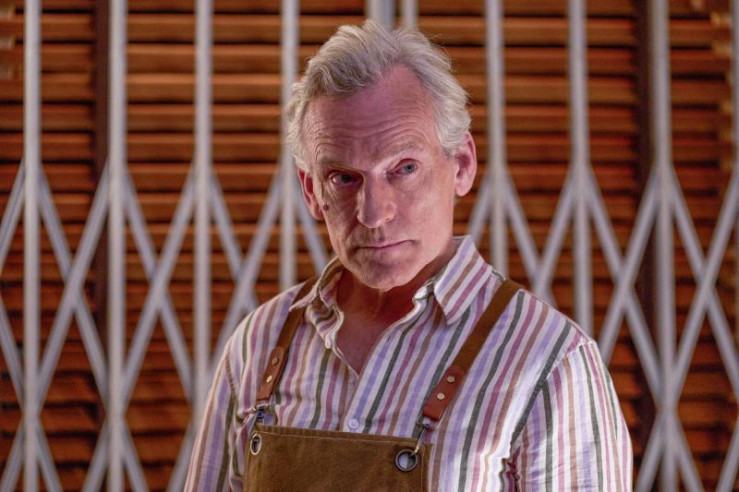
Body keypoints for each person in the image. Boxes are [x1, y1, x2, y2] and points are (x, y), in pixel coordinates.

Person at [185, 20, 632, 491]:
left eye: (404, 168)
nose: (373, 213)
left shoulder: (550, 363)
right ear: (312, 191)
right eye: (343, 178)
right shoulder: (260, 342)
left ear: (462, 165)